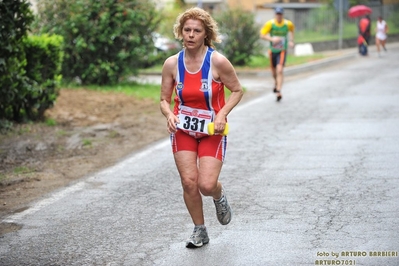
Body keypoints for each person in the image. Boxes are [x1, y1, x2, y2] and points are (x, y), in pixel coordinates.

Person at [160, 7, 243, 248]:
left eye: (197, 31)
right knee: (189, 182)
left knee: (206, 184)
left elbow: (237, 90)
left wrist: (222, 114)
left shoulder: (217, 61)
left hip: (211, 131)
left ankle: (219, 195)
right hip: (183, 129)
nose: (191, 35)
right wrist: (169, 114)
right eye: (187, 30)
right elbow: (164, 99)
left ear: (206, 34)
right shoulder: (172, 64)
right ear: (180, 32)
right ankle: (200, 230)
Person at [260, 7, 295, 102]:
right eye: (277, 14)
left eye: (280, 14)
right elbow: (262, 35)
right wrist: (272, 39)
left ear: (283, 15)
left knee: (280, 70)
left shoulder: (288, 24)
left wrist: (291, 41)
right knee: (274, 72)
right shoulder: (270, 24)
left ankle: (278, 90)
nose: (279, 16)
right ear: (275, 15)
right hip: (272, 50)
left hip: (282, 50)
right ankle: (276, 83)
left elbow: (292, 31)